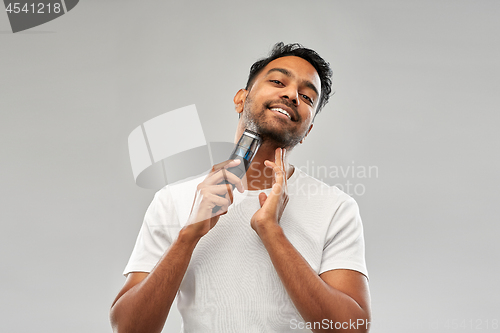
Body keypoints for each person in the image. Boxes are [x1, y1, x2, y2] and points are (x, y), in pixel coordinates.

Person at [110, 42, 371, 333]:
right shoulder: (172, 200)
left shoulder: (335, 207)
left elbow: (353, 328)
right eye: (277, 81)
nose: (291, 95)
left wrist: (272, 232)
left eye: (307, 96)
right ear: (240, 99)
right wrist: (189, 234)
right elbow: (129, 328)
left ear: (308, 130)